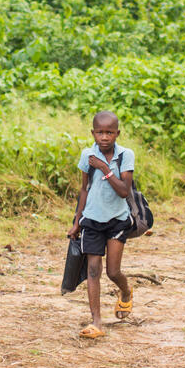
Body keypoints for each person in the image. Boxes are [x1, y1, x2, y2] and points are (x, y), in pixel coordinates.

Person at [67, 111, 136, 338]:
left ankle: (125, 292)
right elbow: (84, 189)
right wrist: (77, 221)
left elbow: (124, 191)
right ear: (93, 133)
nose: (104, 137)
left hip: (117, 220)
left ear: (117, 133)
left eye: (109, 132)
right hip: (92, 219)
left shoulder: (125, 155)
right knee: (93, 270)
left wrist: (105, 169)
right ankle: (97, 322)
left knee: (113, 271)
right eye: (100, 132)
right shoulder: (87, 155)